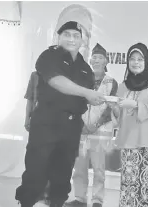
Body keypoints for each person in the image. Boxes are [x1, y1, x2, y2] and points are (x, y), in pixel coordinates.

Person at [15, 21, 105, 207]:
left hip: (71, 127)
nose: (71, 39)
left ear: (82, 41)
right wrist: (87, 93)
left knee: (62, 174)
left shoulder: (85, 68)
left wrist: (99, 99)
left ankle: (56, 203)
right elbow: (57, 81)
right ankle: (26, 203)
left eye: (76, 36)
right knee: (36, 170)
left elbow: (84, 98)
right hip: (47, 122)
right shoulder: (48, 56)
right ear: (59, 36)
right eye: (67, 34)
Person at [65, 43, 118, 207]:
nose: (96, 60)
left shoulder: (112, 83)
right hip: (80, 131)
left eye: (100, 57)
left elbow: (111, 107)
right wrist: (82, 124)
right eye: (94, 57)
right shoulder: (82, 79)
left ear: (106, 61)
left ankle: (97, 200)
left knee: (99, 170)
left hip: (100, 132)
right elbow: (74, 102)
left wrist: (95, 125)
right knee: (79, 167)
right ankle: (80, 199)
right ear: (90, 59)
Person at [111, 43, 148, 207]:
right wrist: (114, 107)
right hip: (128, 138)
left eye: (140, 59)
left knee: (145, 184)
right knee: (128, 183)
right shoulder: (122, 86)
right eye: (132, 59)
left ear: (146, 62)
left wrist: (135, 104)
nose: (136, 62)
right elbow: (119, 115)